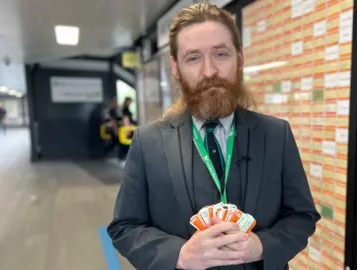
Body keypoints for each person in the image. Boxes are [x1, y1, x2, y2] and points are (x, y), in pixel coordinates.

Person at [107, 3, 320, 270]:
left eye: (220, 53)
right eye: (193, 58)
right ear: (175, 67)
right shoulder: (147, 143)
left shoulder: (277, 135)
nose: (209, 71)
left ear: (240, 58)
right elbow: (125, 226)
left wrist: (264, 246)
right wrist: (180, 255)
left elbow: (302, 215)